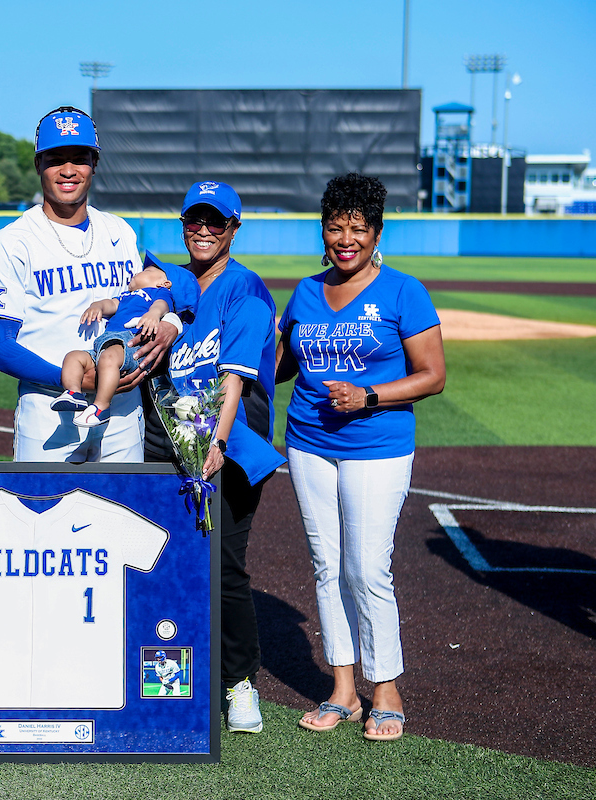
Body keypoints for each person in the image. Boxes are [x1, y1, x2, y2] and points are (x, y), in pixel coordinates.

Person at [276, 173, 445, 742]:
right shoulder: (303, 291)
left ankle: (386, 690)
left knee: (367, 568)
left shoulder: (403, 291)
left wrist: (370, 395)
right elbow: (281, 364)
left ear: (376, 233)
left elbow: (433, 375)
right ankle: (344, 691)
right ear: (322, 232)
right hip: (308, 441)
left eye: (357, 229)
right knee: (327, 566)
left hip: (377, 444)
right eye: (335, 228)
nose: (345, 239)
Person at [146, 180, 286, 734]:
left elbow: (233, 379)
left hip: (228, 446)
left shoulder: (245, 290)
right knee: (166, 559)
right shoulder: (174, 284)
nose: (203, 229)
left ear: (234, 228)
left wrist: (218, 442)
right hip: (163, 441)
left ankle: (238, 681)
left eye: (216, 221)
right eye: (194, 220)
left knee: (223, 566)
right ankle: (167, 675)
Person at [0, 106, 180, 462]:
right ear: (38, 163)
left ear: (95, 163)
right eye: (56, 159)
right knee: (44, 516)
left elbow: (150, 299)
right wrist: (71, 382)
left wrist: (168, 325)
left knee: (122, 517)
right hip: (51, 413)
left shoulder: (119, 232)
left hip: (123, 410)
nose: (68, 170)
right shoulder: (11, 243)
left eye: (79, 158)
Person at [52, 265, 173, 428]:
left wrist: (154, 314)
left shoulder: (158, 293)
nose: (137, 273)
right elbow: (111, 304)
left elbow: (161, 304)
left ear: (163, 283)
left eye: (146, 271)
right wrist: (97, 306)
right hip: (105, 341)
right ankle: (74, 393)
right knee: (73, 357)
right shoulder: (126, 296)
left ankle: (101, 407)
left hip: (130, 340)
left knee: (108, 358)